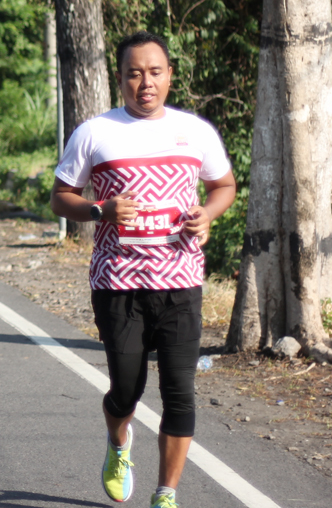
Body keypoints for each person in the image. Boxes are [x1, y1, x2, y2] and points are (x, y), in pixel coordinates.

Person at [50, 31, 236, 508]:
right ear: (120, 79)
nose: (145, 83)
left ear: (170, 75)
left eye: (155, 72)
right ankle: (118, 444)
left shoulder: (195, 131)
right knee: (126, 391)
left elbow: (223, 186)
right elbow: (61, 197)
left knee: (180, 392)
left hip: (180, 281)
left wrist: (207, 215)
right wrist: (101, 211)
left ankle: (165, 494)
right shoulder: (95, 132)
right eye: (135, 74)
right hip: (118, 283)